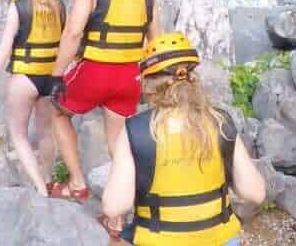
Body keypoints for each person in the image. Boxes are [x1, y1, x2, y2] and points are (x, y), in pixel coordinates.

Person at [101, 32, 266, 245]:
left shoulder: (138, 129)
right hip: (219, 238)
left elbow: (114, 206)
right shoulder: (220, 122)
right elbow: (256, 193)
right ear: (193, 79)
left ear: (148, 86)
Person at [47, 0, 161, 200]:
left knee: (58, 113)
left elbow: (74, 31)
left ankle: (76, 183)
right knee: (118, 144)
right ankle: (119, 215)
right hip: (130, 76)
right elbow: (156, 39)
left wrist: (57, 74)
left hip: (96, 69)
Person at [0, 0, 65, 196]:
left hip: (25, 77)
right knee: (46, 132)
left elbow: (5, 48)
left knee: (19, 134)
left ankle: (39, 187)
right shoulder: (58, 4)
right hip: (51, 78)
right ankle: (48, 179)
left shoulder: (19, 4)